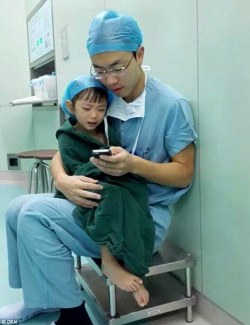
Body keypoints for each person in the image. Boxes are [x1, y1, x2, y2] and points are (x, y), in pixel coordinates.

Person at [0, 9, 197, 325]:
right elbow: (68, 147)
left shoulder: (171, 107)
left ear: (140, 54)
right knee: (15, 209)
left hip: (139, 217)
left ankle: (73, 317)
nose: (111, 79)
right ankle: (37, 300)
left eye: (118, 67)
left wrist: (133, 164)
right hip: (98, 202)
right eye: (100, 69)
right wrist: (62, 179)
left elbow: (184, 171)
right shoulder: (102, 96)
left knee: (35, 214)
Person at [55, 74, 155, 307]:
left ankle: (134, 266)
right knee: (113, 196)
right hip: (85, 187)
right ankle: (109, 262)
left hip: (113, 178)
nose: (94, 115)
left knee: (136, 193)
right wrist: (99, 162)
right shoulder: (67, 137)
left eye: (100, 109)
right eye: (87, 108)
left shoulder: (108, 127)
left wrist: (115, 160)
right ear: (71, 107)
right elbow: (76, 170)